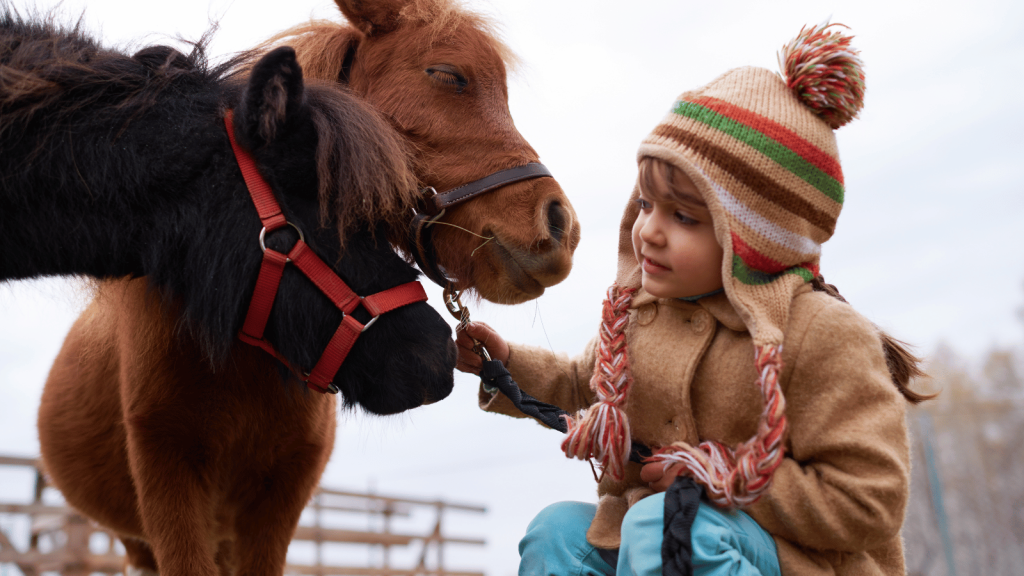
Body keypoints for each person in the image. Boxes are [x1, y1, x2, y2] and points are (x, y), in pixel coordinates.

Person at [455, 22, 931, 576]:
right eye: (648, 205)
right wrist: (505, 365)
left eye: (683, 216)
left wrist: (719, 478)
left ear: (754, 237)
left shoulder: (821, 335)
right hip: (655, 542)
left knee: (661, 524)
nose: (649, 231)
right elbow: (578, 387)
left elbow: (868, 500)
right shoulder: (641, 319)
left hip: (797, 562)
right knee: (557, 533)